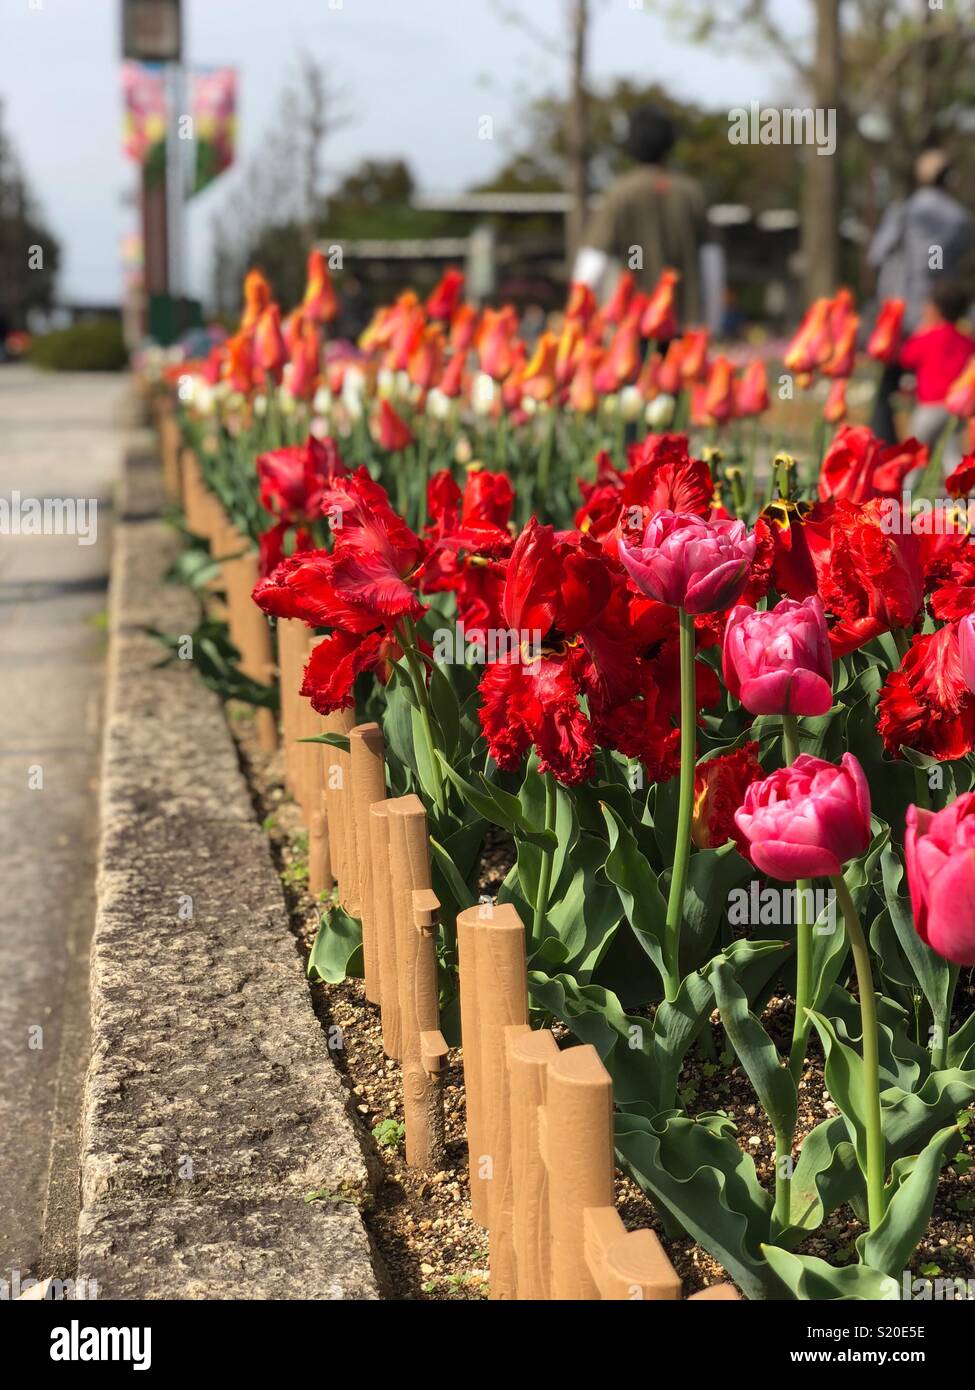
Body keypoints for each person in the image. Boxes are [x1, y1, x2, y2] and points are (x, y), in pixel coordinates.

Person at [572, 105, 712, 325]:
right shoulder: (691, 194)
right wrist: (712, 319)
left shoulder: (621, 192)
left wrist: (578, 316)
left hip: (632, 319)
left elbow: (593, 260)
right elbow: (710, 263)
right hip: (683, 321)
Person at [868, 148, 973, 440]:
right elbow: (950, 262)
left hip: (901, 317)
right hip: (944, 316)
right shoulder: (960, 220)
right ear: (949, 179)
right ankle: (939, 454)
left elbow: (877, 254)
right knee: (943, 387)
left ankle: (889, 454)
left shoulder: (903, 212)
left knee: (886, 388)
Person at [898, 280, 975, 475]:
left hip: (929, 406)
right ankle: (962, 495)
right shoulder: (966, 340)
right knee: (951, 454)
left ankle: (908, 495)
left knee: (914, 453)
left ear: (936, 309)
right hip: (955, 408)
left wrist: (919, 331)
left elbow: (906, 357)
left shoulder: (927, 337)